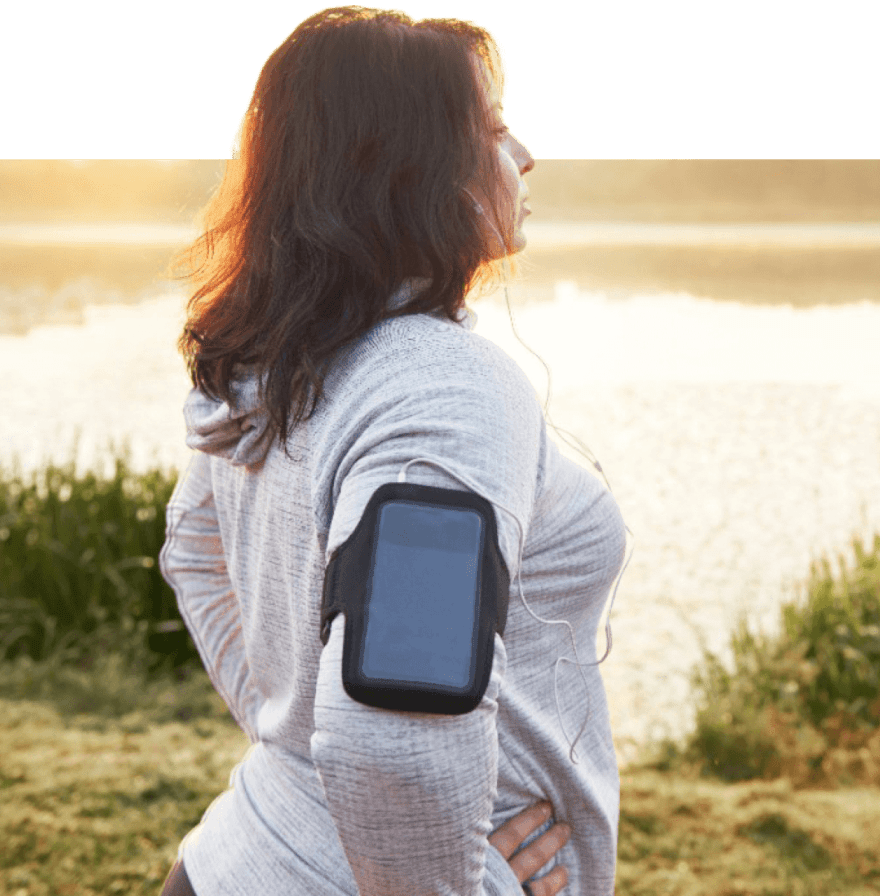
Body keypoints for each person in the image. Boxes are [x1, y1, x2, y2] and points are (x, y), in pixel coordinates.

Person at [159, 6, 628, 896]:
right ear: (415, 169)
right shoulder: (444, 394)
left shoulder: (291, 352)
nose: (526, 155)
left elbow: (193, 548)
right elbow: (393, 725)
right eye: (492, 129)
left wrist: (290, 741)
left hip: (236, 863)